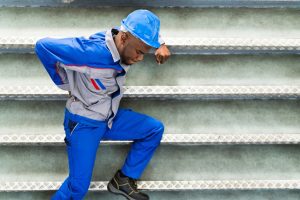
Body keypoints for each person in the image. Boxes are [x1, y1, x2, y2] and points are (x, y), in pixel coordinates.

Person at [35, 9, 171, 200]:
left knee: (153, 129)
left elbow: (141, 24)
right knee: (77, 188)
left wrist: (161, 44)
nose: (140, 58)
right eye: (139, 52)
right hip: (84, 124)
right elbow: (43, 46)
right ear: (123, 38)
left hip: (109, 118)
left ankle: (123, 180)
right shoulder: (90, 52)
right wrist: (63, 81)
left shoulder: (123, 36)